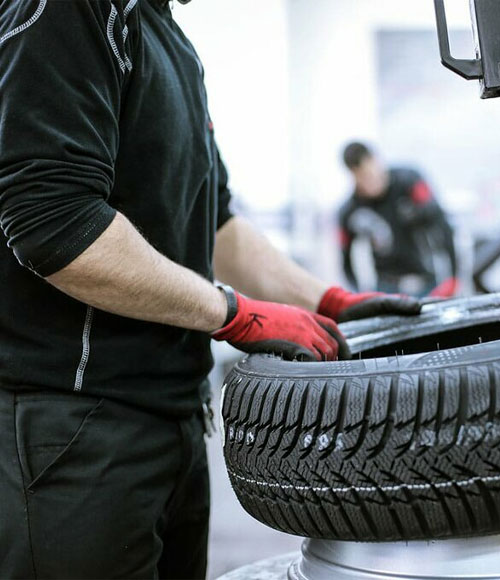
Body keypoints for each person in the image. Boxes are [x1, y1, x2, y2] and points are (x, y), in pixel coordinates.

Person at [0, 2, 419, 578]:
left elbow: (217, 223)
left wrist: (324, 300)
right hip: (74, 429)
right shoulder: (71, 11)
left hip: (171, 417)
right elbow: (57, 226)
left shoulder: (168, 40)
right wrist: (234, 314)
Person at [338, 142, 459, 298]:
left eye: (371, 174)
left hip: (426, 281)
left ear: (376, 161)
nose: (371, 183)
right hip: (386, 286)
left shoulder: (409, 183)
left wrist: (453, 277)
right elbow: (345, 258)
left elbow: (441, 224)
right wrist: (357, 294)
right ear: (352, 175)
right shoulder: (351, 211)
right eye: (363, 178)